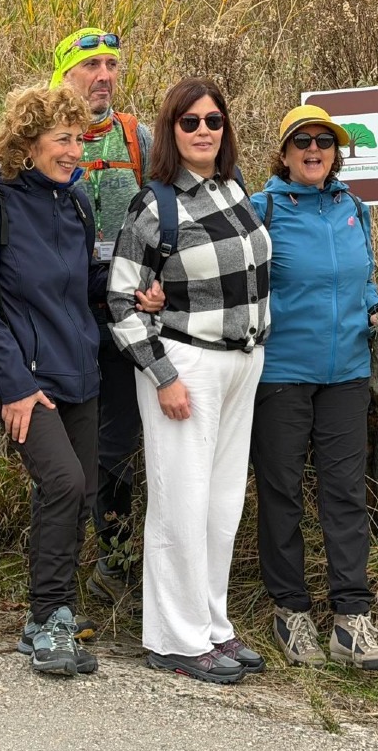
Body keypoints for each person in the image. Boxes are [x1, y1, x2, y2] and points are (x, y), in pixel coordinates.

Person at [0, 28, 155, 608]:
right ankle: (52, 602)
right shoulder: (7, 171)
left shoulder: (135, 140)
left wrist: (147, 287)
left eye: (112, 64)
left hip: (112, 320)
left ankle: (109, 566)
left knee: (111, 454)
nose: (104, 75)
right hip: (44, 334)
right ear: (63, 74)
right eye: (90, 65)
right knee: (64, 473)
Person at [107, 76, 271, 684]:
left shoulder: (235, 189)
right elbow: (121, 301)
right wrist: (163, 375)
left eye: (214, 121)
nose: (204, 131)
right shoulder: (155, 206)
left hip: (242, 363)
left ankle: (212, 625)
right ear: (171, 131)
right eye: (191, 122)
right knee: (181, 501)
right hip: (186, 367)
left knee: (222, 505)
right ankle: (175, 639)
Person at [249, 104, 378, 671]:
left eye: (324, 141)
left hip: (347, 375)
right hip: (281, 374)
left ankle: (351, 620)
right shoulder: (262, 209)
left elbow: (361, 281)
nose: (314, 149)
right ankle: (289, 610)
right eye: (302, 141)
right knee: (282, 493)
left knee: (345, 493)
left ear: (336, 153)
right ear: (284, 153)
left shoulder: (354, 209)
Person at [0, 84, 104, 677]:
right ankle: (48, 618)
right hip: (26, 379)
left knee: (79, 494)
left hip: (81, 372)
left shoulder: (77, 204)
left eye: (79, 139)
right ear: (27, 144)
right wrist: (15, 384)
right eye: (61, 139)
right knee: (63, 482)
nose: (74, 151)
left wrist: (138, 290)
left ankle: (53, 614)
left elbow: (84, 288)